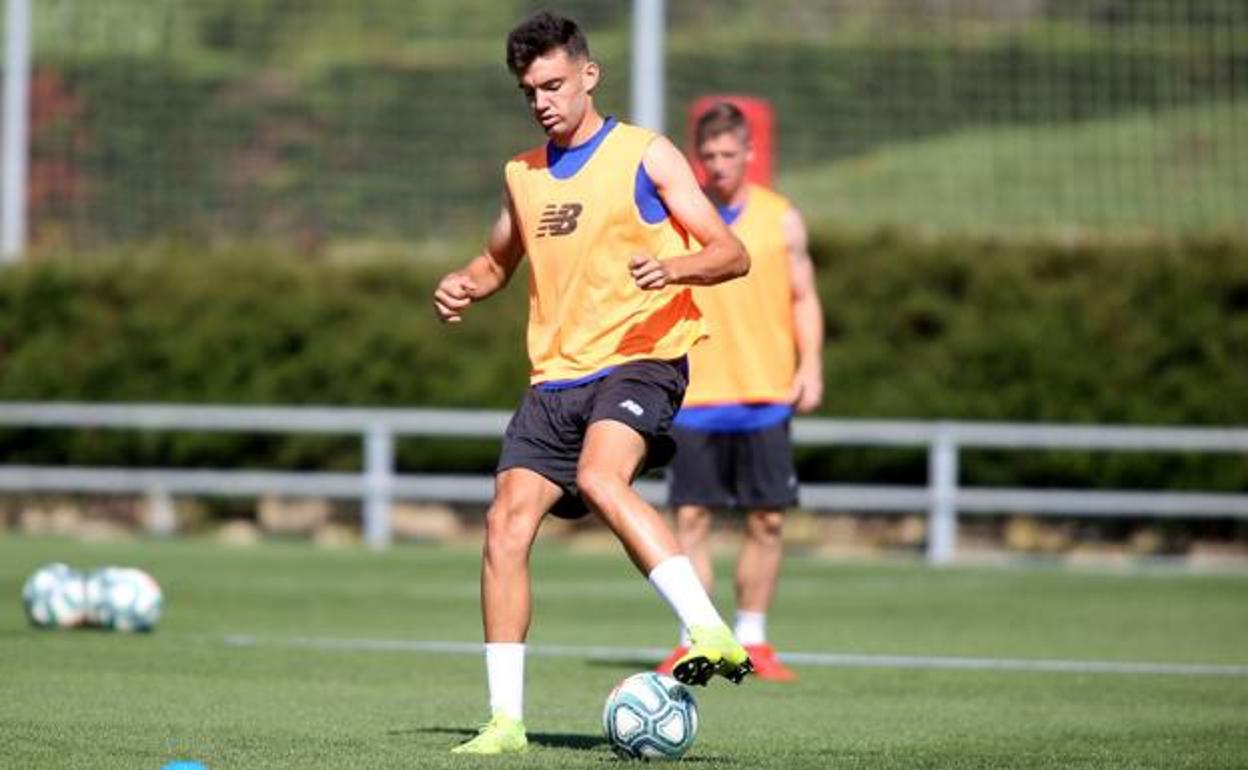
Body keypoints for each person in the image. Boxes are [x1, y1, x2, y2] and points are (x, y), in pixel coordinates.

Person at [432, 12, 755, 756]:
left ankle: (709, 629)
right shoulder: (524, 175)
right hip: (555, 379)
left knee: (602, 478)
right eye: (529, 91)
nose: (543, 100)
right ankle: (505, 723)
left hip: (641, 357)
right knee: (505, 524)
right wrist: (463, 285)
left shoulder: (647, 155)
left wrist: (672, 267)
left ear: (588, 74)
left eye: (553, 84)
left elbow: (729, 252)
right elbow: (495, 264)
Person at [655, 102, 825, 682]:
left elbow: (803, 296)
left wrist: (812, 363)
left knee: (768, 521)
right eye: (709, 155)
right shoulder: (682, 219)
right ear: (696, 157)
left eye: (730, 154)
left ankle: (753, 638)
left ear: (750, 154)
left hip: (766, 392)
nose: (720, 165)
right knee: (692, 520)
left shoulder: (782, 219)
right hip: (696, 393)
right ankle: (693, 639)